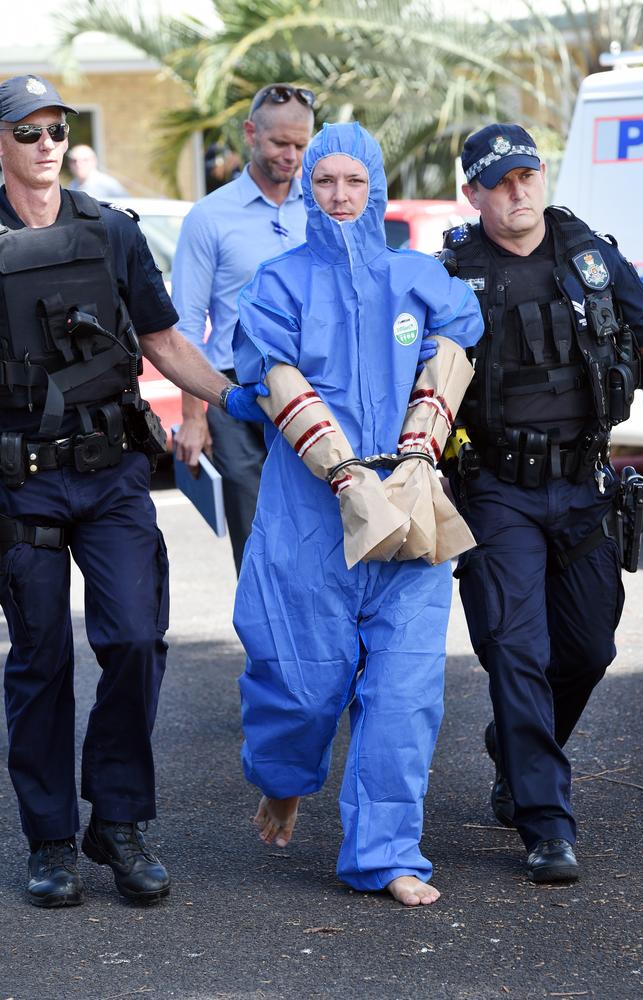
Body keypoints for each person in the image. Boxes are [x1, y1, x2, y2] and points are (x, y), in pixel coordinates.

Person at [0, 73, 266, 909]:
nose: (48, 146)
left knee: (137, 642)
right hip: (22, 484)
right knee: (40, 661)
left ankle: (116, 822)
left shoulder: (111, 231)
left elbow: (161, 338)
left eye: (57, 130)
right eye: (28, 132)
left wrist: (237, 398)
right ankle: (49, 841)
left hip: (113, 473)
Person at [232, 122, 483, 906]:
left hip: (410, 505)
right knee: (305, 684)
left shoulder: (419, 275)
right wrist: (342, 474)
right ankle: (283, 779)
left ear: (375, 186)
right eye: (325, 181)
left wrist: (417, 453)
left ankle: (387, 855)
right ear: (307, 186)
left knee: (406, 695)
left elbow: (456, 342)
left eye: (354, 182)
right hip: (311, 513)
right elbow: (268, 375)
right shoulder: (278, 281)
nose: (339, 197)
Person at [442, 123, 643, 884]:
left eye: (526, 174)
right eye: (498, 181)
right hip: (497, 486)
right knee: (516, 649)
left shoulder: (588, 252)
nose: (517, 190)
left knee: (591, 648)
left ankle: (517, 746)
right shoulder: (454, 268)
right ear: (474, 192)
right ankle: (546, 822)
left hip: (585, 483)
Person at [172, 83, 315, 574]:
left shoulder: (323, 210)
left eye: (301, 146)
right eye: (280, 144)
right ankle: (267, 650)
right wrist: (193, 418)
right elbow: (186, 324)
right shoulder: (210, 216)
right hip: (234, 395)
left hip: (312, 388)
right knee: (256, 539)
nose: (291, 156)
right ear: (251, 134)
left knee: (319, 533)